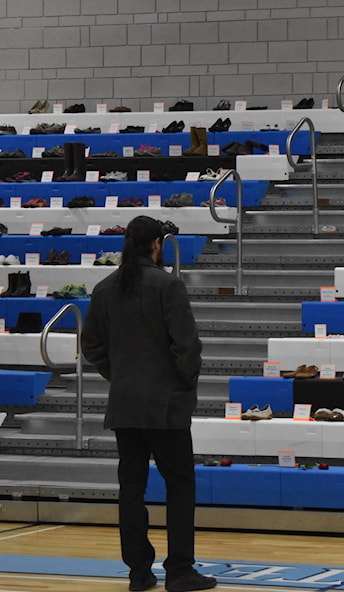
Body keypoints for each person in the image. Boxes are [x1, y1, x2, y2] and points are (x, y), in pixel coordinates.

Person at [82, 216, 216, 592]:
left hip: (126, 405)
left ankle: (139, 573)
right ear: (157, 244)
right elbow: (187, 347)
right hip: (166, 404)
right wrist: (183, 381)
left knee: (131, 488)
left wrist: (120, 376)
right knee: (180, 486)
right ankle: (179, 571)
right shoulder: (168, 285)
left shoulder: (105, 288)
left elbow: (91, 346)